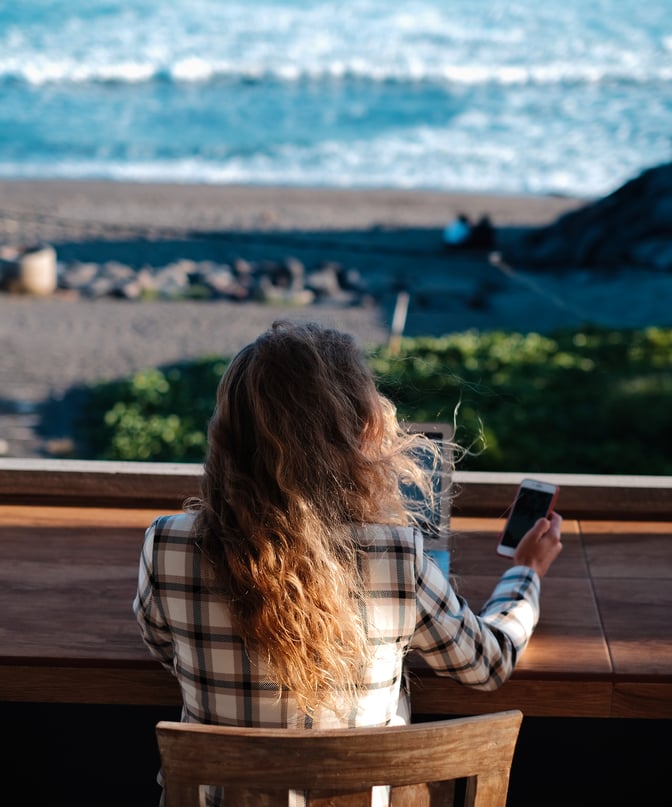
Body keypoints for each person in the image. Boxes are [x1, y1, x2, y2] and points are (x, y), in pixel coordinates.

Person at [134, 319, 562, 807]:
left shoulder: (167, 545)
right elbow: (488, 663)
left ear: (227, 433)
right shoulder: (397, 555)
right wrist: (526, 572)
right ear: (361, 431)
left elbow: (161, 646)